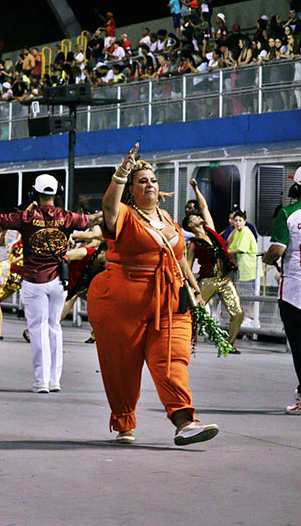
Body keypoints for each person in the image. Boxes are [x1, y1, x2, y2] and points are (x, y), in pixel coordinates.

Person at [88, 144, 218, 446]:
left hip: (170, 300)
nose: (149, 184)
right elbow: (109, 206)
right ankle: (124, 422)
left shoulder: (169, 220)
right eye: (142, 180)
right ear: (131, 189)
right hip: (122, 302)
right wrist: (120, 173)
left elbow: (179, 258)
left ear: (160, 189)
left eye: (153, 180)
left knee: (173, 360)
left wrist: (195, 292)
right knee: (122, 367)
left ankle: (184, 422)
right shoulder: (122, 214)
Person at [0, 176, 95, 394]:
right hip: (59, 281)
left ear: (34, 193)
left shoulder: (26, 217)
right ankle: (54, 380)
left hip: (34, 281)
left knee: (37, 328)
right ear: (57, 191)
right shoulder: (69, 218)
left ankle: (41, 381)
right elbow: (97, 218)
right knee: (54, 328)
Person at [183, 179, 243, 352]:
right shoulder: (193, 244)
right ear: (190, 225)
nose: (199, 216)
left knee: (237, 312)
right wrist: (194, 289)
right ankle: (184, 340)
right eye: (194, 217)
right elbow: (187, 267)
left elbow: (204, 207)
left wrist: (195, 188)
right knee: (194, 312)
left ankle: (228, 345)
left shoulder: (211, 230)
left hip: (224, 279)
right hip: (207, 280)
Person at [263, 166, 301, 414]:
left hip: (295, 292)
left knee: (299, 346)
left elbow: (276, 251)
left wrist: (266, 259)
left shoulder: (288, 213)